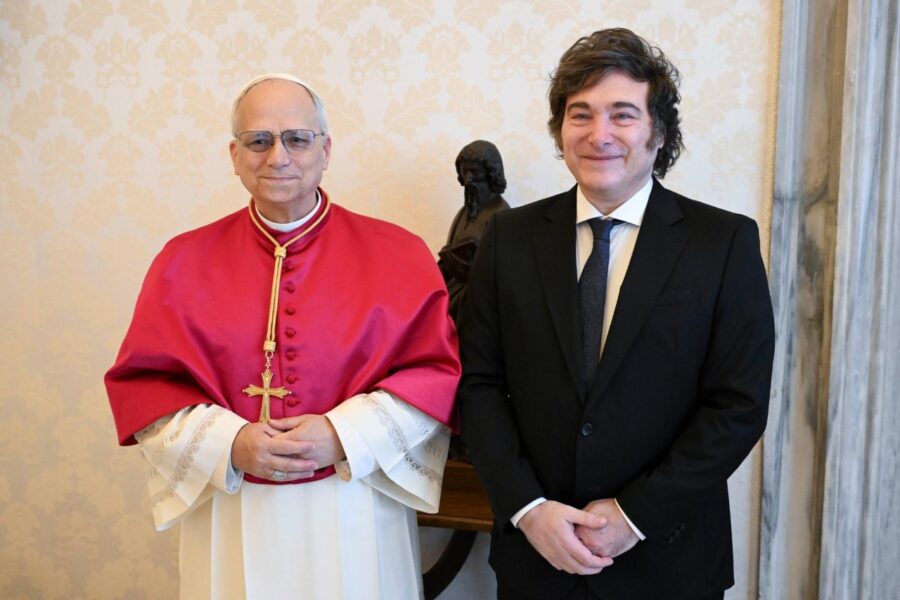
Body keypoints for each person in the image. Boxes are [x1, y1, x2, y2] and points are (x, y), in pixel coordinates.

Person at [105, 73, 460, 599]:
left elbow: (435, 375)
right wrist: (231, 442)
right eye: (259, 140)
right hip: (232, 506)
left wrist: (341, 434)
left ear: (326, 149)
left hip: (353, 500)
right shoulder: (182, 261)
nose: (278, 156)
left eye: (297, 138)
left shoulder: (399, 254)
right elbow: (147, 386)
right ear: (234, 154)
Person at [458, 29, 775, 600]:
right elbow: (479, 384)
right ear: (561, 131)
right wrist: (528, 509)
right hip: (537, 557)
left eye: (622, 114)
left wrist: (634, 516)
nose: (599, 134)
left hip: (669, 558)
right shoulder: (508, 238)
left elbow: (738, 404)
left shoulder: (722, 242)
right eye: (580, 115)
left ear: (658, 132)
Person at [438, 140, 510, 323]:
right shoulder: (463, 213)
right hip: (454, 293)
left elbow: (503, 272)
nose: (468, 179)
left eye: (475, 172)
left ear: (490, 173)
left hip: (478, 304)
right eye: (465, 171)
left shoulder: (501, 214)